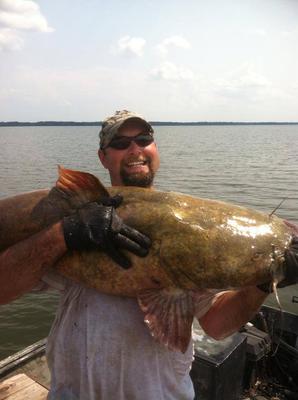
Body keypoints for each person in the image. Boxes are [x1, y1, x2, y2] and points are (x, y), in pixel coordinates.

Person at [0, 110, 298, 400]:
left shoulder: (193, 227)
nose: (135, 149)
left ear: (155, 149)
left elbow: (217, 325)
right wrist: (65, 233)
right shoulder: (76, 215)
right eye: (120, 143)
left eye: (144, 139)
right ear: (103, 157)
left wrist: (263, 281)